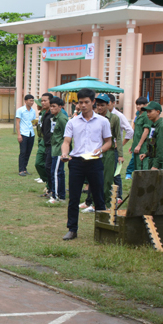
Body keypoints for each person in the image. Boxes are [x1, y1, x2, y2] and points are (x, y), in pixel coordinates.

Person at [61, 88, 112, 241]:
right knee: (74, 197)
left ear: (93, 102)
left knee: (99, 197)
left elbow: (109, 142)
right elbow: (66, 141)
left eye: (86, 102)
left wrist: (100, 150)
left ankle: (102, 231)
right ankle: (72, 229)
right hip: (76, 162)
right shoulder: (72, 122)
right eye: (80, 102)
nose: (83, 105)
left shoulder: (103, 121)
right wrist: (64, 153)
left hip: (95, 162)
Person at [108, 95, 132, 199]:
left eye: (107, 103)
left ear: (113, 103)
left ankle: (119, 196)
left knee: (115, 173)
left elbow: (130, 131)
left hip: (114, 149)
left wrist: (120, 144)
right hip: (104, 148)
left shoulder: (118, 116)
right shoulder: (101, 115)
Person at [48, 96, 68, 203]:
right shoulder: (55, 117)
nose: (52, 108)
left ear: (60, 107)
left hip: (60, 150)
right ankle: (61, 196)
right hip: (55, 148)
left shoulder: (62, 118)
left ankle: (55, 197)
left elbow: (68, 135)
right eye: (51, 106)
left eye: (54, 106)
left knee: (55, 173)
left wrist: (66, 150)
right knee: (59, 172)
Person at [139, 101, 163, 170]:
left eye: (150, 111)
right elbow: (153, 144)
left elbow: (161, 148)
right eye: (147, 112)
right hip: (152, 160)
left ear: (157, 112)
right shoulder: (153, 125)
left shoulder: (161, 126)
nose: (148, 114)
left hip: (158, 163)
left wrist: (156, 165)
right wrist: (146, 153)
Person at [34, 93, 53, 192]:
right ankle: (48, 182)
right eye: (42, 101)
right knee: (38, 163)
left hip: (51, 143)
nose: (42, 103)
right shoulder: (43, 114)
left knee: (48, 165)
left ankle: (51, 186)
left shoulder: (54, 114)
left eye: (45, 101)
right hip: (43, 141)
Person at [16, 94, 36, 176]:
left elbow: (33, 122)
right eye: (30, 100)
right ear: (25, 101)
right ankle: (21, 170)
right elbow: (17, 122)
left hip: (31, 134)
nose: (32, 102)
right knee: (23, 152)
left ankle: (25, 168)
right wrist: (19, 135)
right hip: (23, 133)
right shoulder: (20, 110)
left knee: (28, 152)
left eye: (32, 100)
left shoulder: (33, 111)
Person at [130, 97, 151, 171]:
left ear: (146, 105)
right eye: (137, 104)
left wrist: (139, 145)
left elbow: (146, 131)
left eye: (140, 104)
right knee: (136, 167)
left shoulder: (146, 115)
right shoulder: (138, 115)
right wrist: (133, 145)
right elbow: (137, 132)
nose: (138, 106)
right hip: (136, 145)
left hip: (143, 146)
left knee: (142, 167)